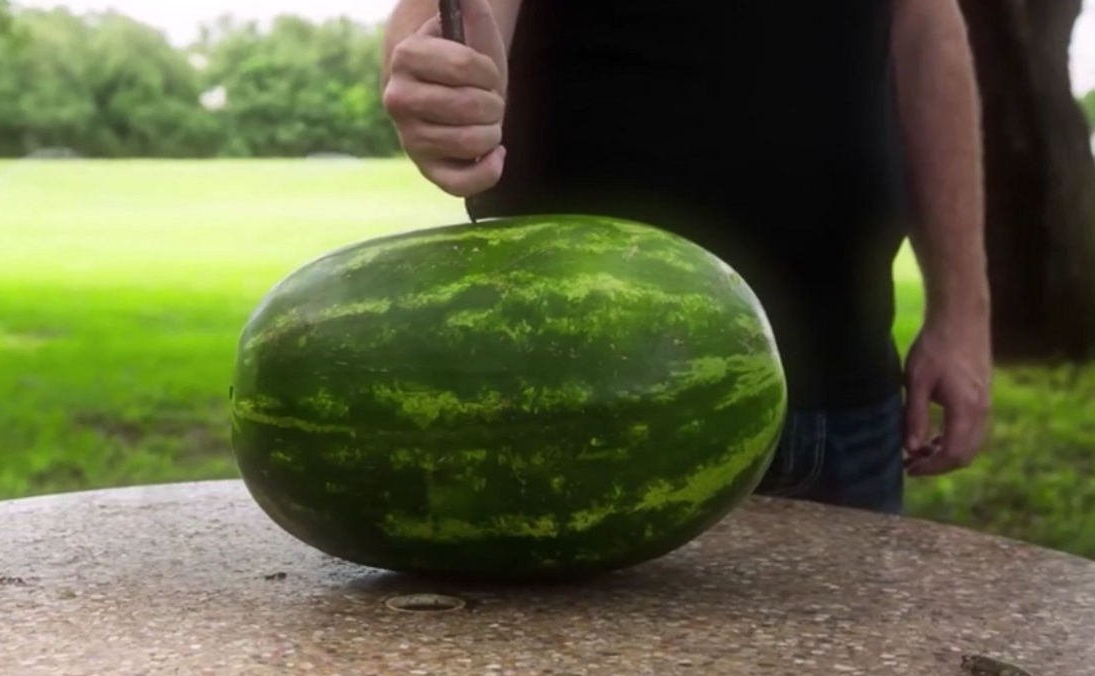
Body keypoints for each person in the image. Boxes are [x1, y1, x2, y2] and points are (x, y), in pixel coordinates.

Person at [379, 0, 993, 515]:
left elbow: (925, 23)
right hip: (573, 398)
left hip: (841, 392)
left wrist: (964, 310)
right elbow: (455, 18)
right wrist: (443, 79)